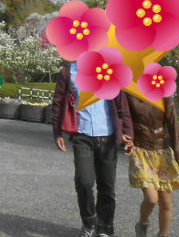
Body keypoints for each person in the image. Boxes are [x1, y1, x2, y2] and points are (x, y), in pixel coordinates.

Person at [53, 62, 135, 237]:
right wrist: (57, 132)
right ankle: (89, 221)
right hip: (82, 137)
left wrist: (128, 134)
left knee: (107, 186)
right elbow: (58, 103)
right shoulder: (69, 72)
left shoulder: (110, 70)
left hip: (107, 137)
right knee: (84, 181)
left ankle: (105, 226)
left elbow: (122, 106)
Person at [124, 92, 179, 237]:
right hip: (140, 151)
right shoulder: (130, 93)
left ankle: (163, 234)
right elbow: (124, 118)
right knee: (152, 198)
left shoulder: (164, 94)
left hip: (162, 152)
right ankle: (143, 223)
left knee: (166, 202)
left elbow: (173, 123)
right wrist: (125, 137)